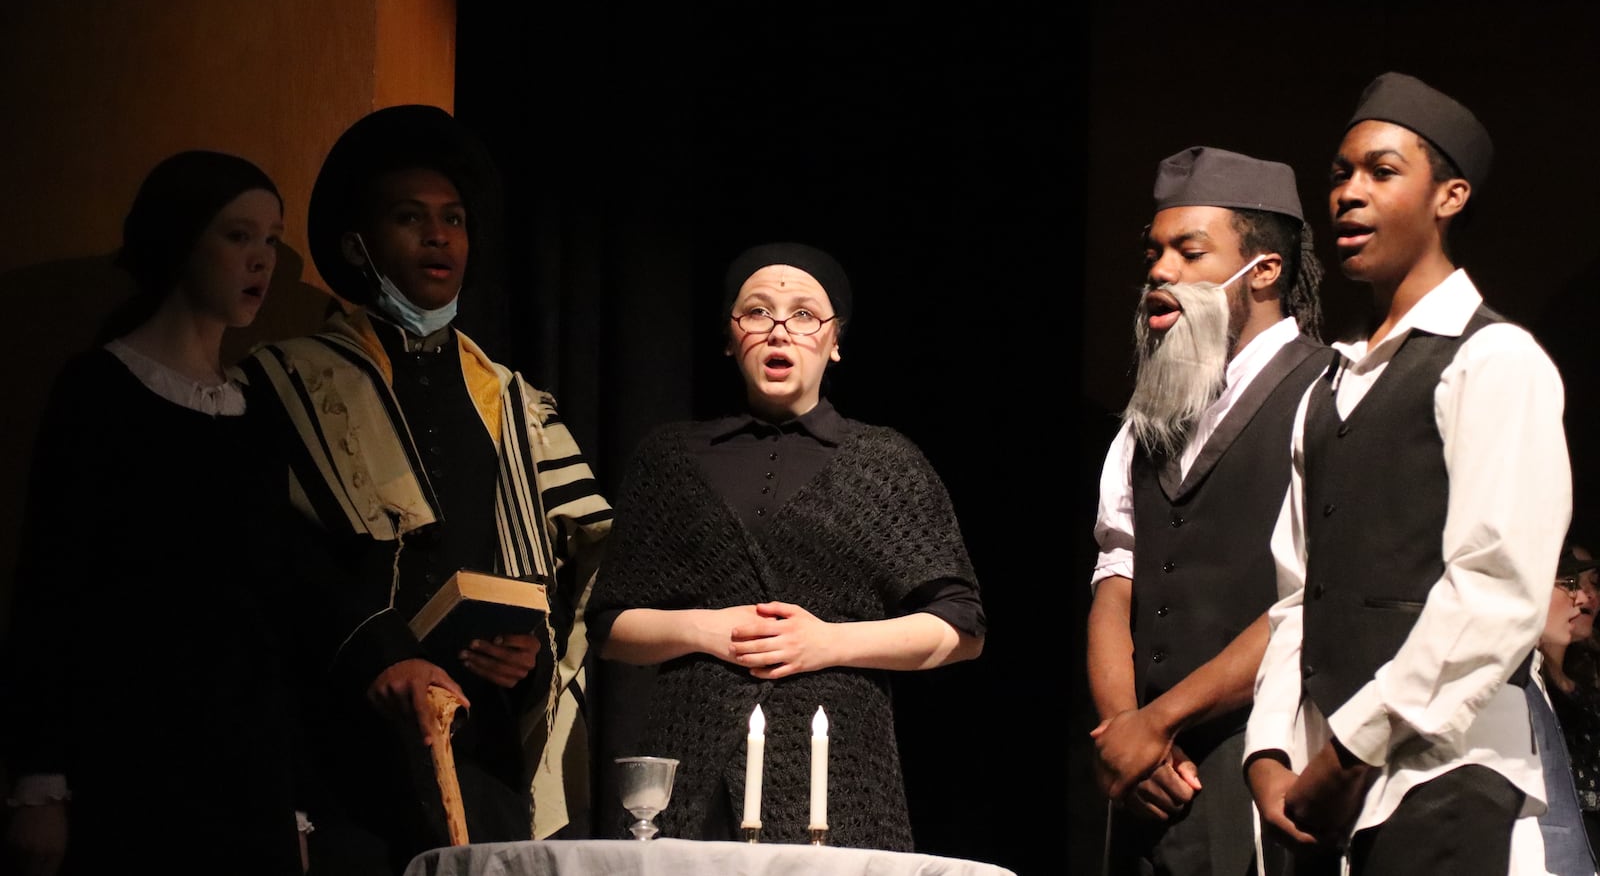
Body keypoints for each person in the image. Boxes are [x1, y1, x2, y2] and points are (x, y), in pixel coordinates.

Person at [238, 106, 611, 874]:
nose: (438, 236)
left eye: (453, 219)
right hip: (339, 743)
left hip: (480, 750)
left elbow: (570, 568)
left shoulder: (512, 401)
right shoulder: (290, 383)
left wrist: (527, 654)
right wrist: (381, 653)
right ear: (357, 245)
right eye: (410, 218)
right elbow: (278, 558)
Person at [1244, 72, 1572, 874]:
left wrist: (1355, 748)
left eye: (1382, 172)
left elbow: (1497, 588)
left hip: (1444, 774)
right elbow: (1299, 593)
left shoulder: (1494, 359)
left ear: (1449, 196)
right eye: (1340, 174)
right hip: (1316, 792)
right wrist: (1270, 750)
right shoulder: (1328, 386)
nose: (1349, 195)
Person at [585, 242, 985, 850]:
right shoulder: (671, 457)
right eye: (757, 312)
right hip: (693, 755)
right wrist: (708, 630)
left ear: (835, 341)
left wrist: (828, 641)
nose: (780, 331)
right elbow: (610, 623)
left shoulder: (884, 462)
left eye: (804, 315)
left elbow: (962, 628)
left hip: (840, 769)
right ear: (729, 337)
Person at [0, 151, 303, 875]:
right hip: (128, 757)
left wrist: (290, 793)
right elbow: (52, 585)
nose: (260, 259)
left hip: (246, 770)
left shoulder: (255, 410)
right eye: (238, 236)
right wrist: (40, 782)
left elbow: (270, 613)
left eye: (270, 239)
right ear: (181, 241)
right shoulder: (100, 391)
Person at [1085, 146, 1328, 876]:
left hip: (1266, 761)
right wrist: (1123, 733)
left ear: (1264, 270)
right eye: (1154, 252)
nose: (1160, 272)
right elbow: (1115, 578)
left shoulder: (1329, 396)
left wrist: (1160, 722)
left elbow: (1316, 596)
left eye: (1191, 252)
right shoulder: (1145, 422)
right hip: (1143, 784)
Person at [1529, 548, 1599, 875]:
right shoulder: (1520, 685)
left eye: (1592, 585)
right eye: (1570, 582)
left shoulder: (1587, 685)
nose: (1585, 597)